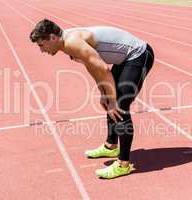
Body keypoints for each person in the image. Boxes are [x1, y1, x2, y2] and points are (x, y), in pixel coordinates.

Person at [30, 19, 154, 179]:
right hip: (124, 60)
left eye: (41, 45)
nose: (42, 50)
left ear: (53, 37)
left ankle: (123, 164)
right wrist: (104, 94)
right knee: (109, 101)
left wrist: (111, 99)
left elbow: (103, 69)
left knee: (119, 106)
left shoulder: (72, 42)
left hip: (138, 54)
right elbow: (93, 67)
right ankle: (111, 146)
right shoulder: (67, 45)